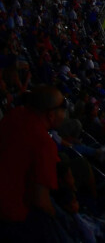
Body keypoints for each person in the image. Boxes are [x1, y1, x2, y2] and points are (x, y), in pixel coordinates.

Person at [0, 85, 66, 241]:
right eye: (63, 107)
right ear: (51, 115)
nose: (65, 112)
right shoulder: (44, 143)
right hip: (10, 219)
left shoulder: (14, 114)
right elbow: (41, 201)